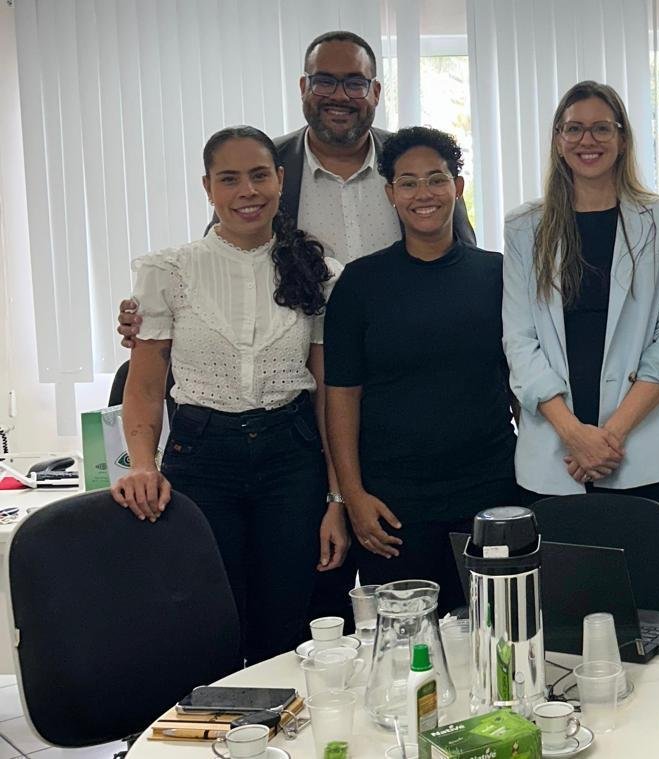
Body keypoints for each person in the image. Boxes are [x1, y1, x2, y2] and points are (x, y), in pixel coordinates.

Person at [115, 30, 477, 627]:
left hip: (402, 420)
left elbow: (456, 269)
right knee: (297, 604)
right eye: (325, 81)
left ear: (375, 92)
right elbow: (216, 288)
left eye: (354, 81)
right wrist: (146, 319)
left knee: (394, 602)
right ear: (303, 89)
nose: (340, 94)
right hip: (307, 421)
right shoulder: (265, 165)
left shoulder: (411, 167)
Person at [111, 126, 347, 664]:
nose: (248, 191)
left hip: (292, 458)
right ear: (207, 188)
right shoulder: (167, 270)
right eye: (230, 179)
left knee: (285, 628)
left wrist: (336, 498)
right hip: (201, 457)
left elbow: (328, 397)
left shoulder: (319, 271)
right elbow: (145, 383)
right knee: (209, 621)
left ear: (280, 180)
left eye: (260, 175)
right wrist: (142, 465)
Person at [323, 127, 516, 614]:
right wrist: (353, 495)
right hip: (392, 505)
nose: (423, 194)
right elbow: (341, 395)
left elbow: (521, 383)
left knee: (496, 636)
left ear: (458, 187)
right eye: (407, 183)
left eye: (436, 179)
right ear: (390, 193)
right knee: (408, 647)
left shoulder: (498, 275)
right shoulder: (360, 284)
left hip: (489, 490)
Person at [502, 80, 659, 509]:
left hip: (640, 446)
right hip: (555, 448)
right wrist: (575, 434)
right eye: (573, 129)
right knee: (560, 576)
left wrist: (610, 437)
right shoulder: (523, 226)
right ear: (557, 140)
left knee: (640, 574)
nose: (587, 140)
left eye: (602, 129)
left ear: (623, 139)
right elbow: (519, 341)